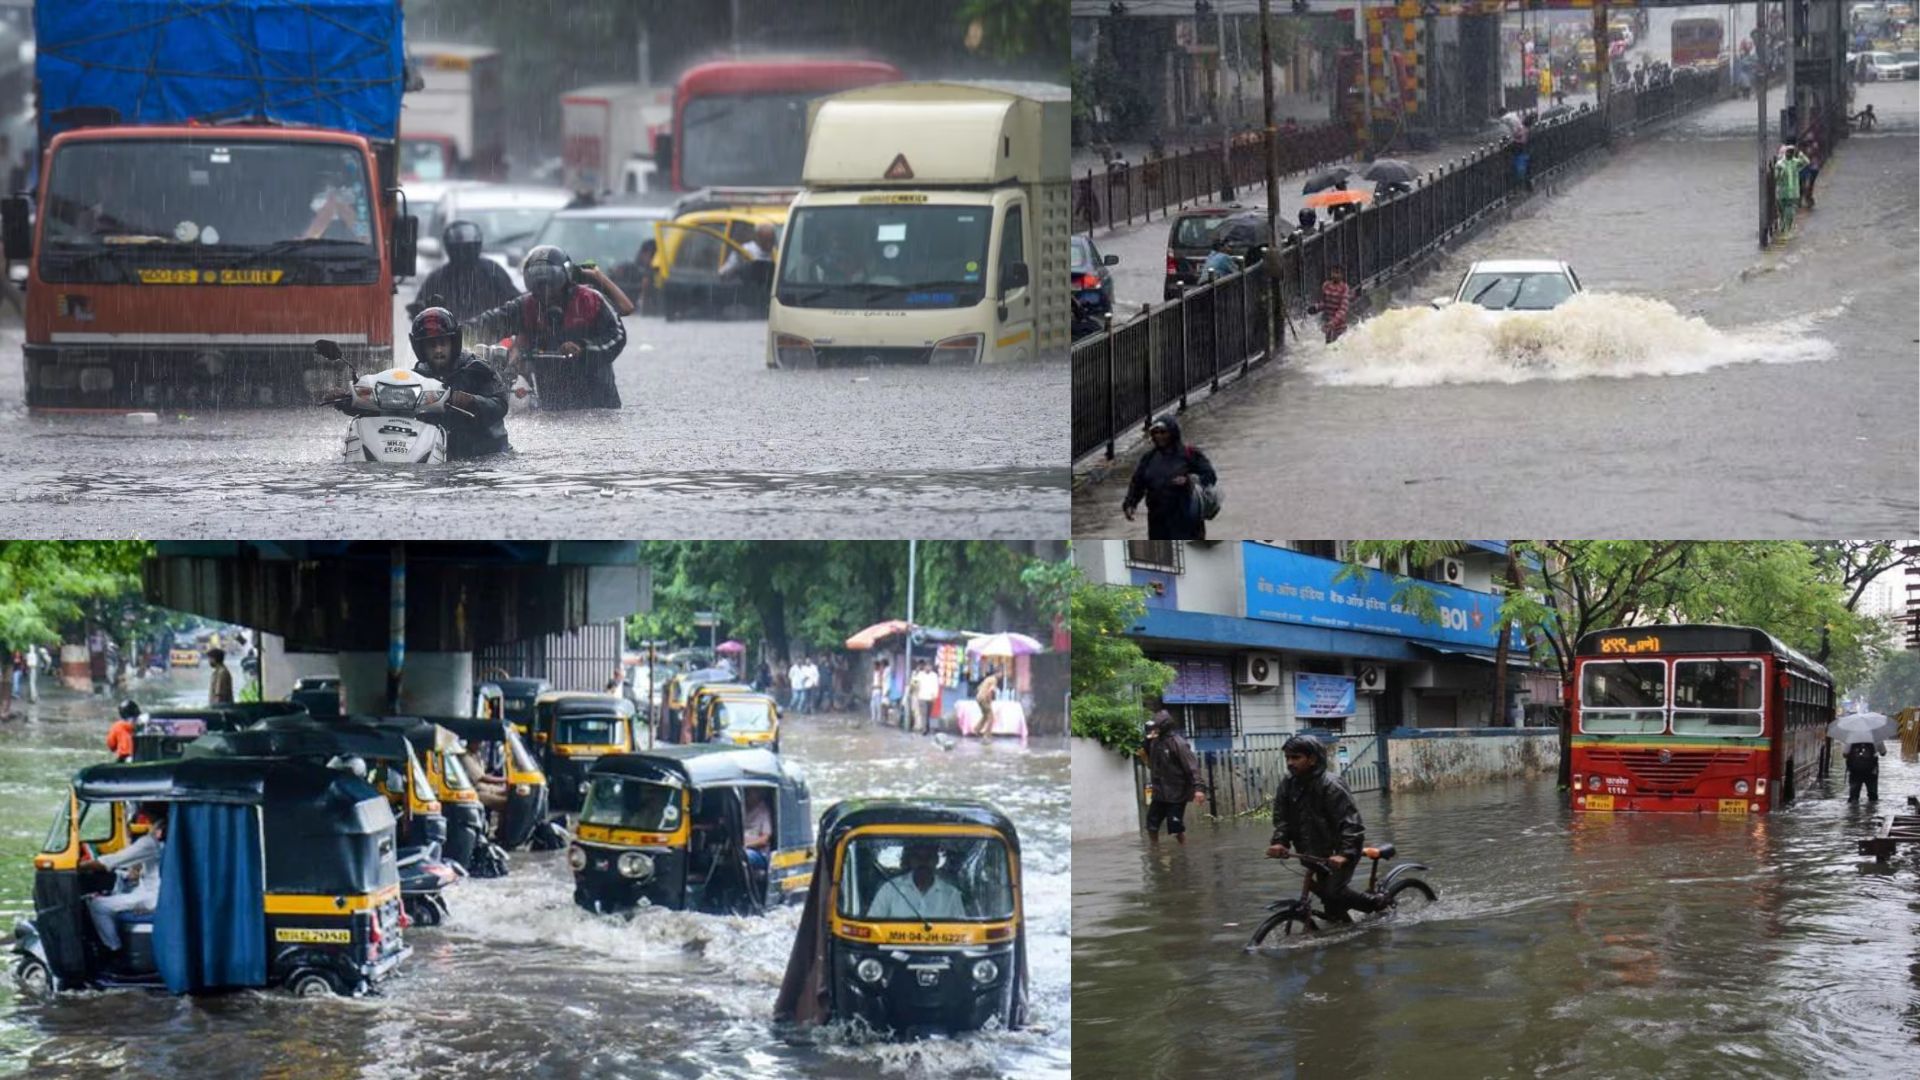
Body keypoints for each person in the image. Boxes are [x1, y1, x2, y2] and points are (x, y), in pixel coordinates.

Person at [466, 245, 628, 410]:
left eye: (552, 282)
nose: (545, 291)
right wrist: (454, 333)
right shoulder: (526, 305)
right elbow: (489, 323)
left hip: (599, 402)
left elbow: (617, 336)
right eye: (538, 283)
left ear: (566, 278)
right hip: (551, 403)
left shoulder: (591, 300)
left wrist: (583, 348)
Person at [341, 307, 511, 459]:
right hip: (439, 454)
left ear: (454, 343)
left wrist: (472, 402)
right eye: (431, 345)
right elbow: (390, 409)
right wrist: (353, 401)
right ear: (421, 348)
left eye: (443, 343)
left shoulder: (478, 370)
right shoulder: (417, 377)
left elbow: (501, 404)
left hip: (485, 454)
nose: (438, 350)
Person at [1265, 733, 1382, 923]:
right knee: (1331, 905)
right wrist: (1280, 842)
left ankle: (1375, 903)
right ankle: (1345, 932)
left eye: (1296, 757)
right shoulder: (1288, 784)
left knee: (1333, 891)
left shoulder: (1331, 784)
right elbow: (1282, 818)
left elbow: (1351, 823)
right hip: (1312, 852)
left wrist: (1344, 854)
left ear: (1312, 759)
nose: (1290, 763)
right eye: (1287, 758)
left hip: (1338, 851)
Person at [1122, 414, 1216, 541]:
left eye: (1163, 432)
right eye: (1155, 433)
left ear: (1173, 432)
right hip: (1157, 521)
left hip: (1186, 519)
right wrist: (1130, 504)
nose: (1159, 436)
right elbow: (1137, 483)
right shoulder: (1148, 458)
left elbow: (1210, 476)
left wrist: (1188, 480)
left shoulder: (1189, 454)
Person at [83, 810, 166, 952]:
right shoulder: (163, 837)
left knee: (98, 905)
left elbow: (111, 861)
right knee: (114, 898)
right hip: (156, 893)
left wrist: (80, 865)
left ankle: (114, 950)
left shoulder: (149, 842)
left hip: (154, 897)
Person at [409, 220, 519, 323]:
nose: (465, 253)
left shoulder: (492, 272)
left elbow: (514, 301)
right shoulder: (438, 278)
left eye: (469, 248)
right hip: (451, 338)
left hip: (492, 335)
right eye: (461, 249)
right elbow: (420, 311)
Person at [1142, 710, 1206, 844]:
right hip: (1159, 792)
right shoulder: (1154, 742)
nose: (1155, 729)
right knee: (1151, 824)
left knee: (1175, 826)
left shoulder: (1178, 743)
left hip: (1176, 792)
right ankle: (1155, 850)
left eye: (1157, 726)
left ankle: (1183, 851)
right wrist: (1147, 741)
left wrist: (1198, 788)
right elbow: (1147, 756)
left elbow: (1191, 766)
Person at [865, 841, 968, 920]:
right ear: (910, 860)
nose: (923, 862)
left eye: (928, 857)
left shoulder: (952, 894)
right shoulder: (890, 889)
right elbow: (872, 923)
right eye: (918, 857)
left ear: (936, 860)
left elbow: (962, 933)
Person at [1311, 265, 1355, 344]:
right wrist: (1316, 308)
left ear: (1342, 275)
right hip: (1328, 325)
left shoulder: (1344, 288)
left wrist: (1333, 322)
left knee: (1338, 346)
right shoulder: (1326, 285)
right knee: (1328, 346)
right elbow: (1324, 303)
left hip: (1340, 327)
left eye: (1337, 273)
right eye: (1333, 272)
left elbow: (1343, 310)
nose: (1335, 275)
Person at [1773, 144, 1801, 237]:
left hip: (1788, 193)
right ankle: (1785, 228)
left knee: (1787, 211)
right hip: (1782, 193)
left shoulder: (1790, 164)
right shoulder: (1780, 165)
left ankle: (1785, 229)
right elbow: (1777, 178)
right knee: (1783, 212)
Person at [1846, 739, 1882, 803]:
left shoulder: (1851, 739)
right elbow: (1883, 753)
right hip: (1871, 771)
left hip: (1855, 771)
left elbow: (1844, 754)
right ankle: (1871, 810)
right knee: (1873, 796)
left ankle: (1854, 811)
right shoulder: (1876, 738)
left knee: (1854, 796)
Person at [912, 661, 941, 735]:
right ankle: (924, 729)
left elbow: (936, 686)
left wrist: (935, 696)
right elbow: (915, 683)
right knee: (923, 714)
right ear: (924, 667)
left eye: (930, 666)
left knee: (928, 714)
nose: (928, 668)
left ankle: (927, 727)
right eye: (927, 666)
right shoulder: (920, 675)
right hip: (922, 697)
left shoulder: (934, 675)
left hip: (930, 697)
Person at [973, 670, 1000, 735]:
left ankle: (976, 729)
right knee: (991, 717)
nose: (1001, 676)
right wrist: (989, 700)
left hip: (978, 698)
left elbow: (979, 688)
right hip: (984, 698)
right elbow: (990, 691)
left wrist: (981, 694)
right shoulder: (994, 680)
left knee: (985, 715)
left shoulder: (988, 679)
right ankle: (987, 735)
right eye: (1000, 673)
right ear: (997, 673)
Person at [1796, 138, 1819, 210]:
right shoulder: (1801, 151)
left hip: (1811, 169)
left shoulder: (1813, 147)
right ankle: (1803, 199)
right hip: (1805, 170)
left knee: (1807, 185)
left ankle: (1807, 199)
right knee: (1802, 185)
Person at [869, 658, 890, 727]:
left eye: (875, 665)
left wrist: (875, 687)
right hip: (874, 692)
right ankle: (873, 719)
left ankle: (879, 720)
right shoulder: (875, 673)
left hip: (878, 692)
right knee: (872, 706)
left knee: (878, 707)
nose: (874, 667)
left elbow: (881, 685)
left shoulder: (882, 673)